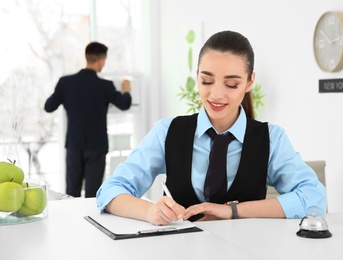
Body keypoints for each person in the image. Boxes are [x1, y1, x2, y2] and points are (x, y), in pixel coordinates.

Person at [96, 31, 326, 225]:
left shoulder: (271, 139)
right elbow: (110, 191)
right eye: (206, 81)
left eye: (231, 84)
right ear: (197, 76)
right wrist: (148, 211)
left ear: (249, 82)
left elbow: (314, 198)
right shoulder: (167, 132)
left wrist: (232, 211)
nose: (216, 94)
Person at [44, 42, 132, 198]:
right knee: (93, 194)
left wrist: (62, 94)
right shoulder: (105, 86)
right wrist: (126, 91)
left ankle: (72, 221)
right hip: (97, 146)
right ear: (100, 61)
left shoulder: (65, 83)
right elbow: (124, 104)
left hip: (74, 145)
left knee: (71, 193)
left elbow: (49, 107)